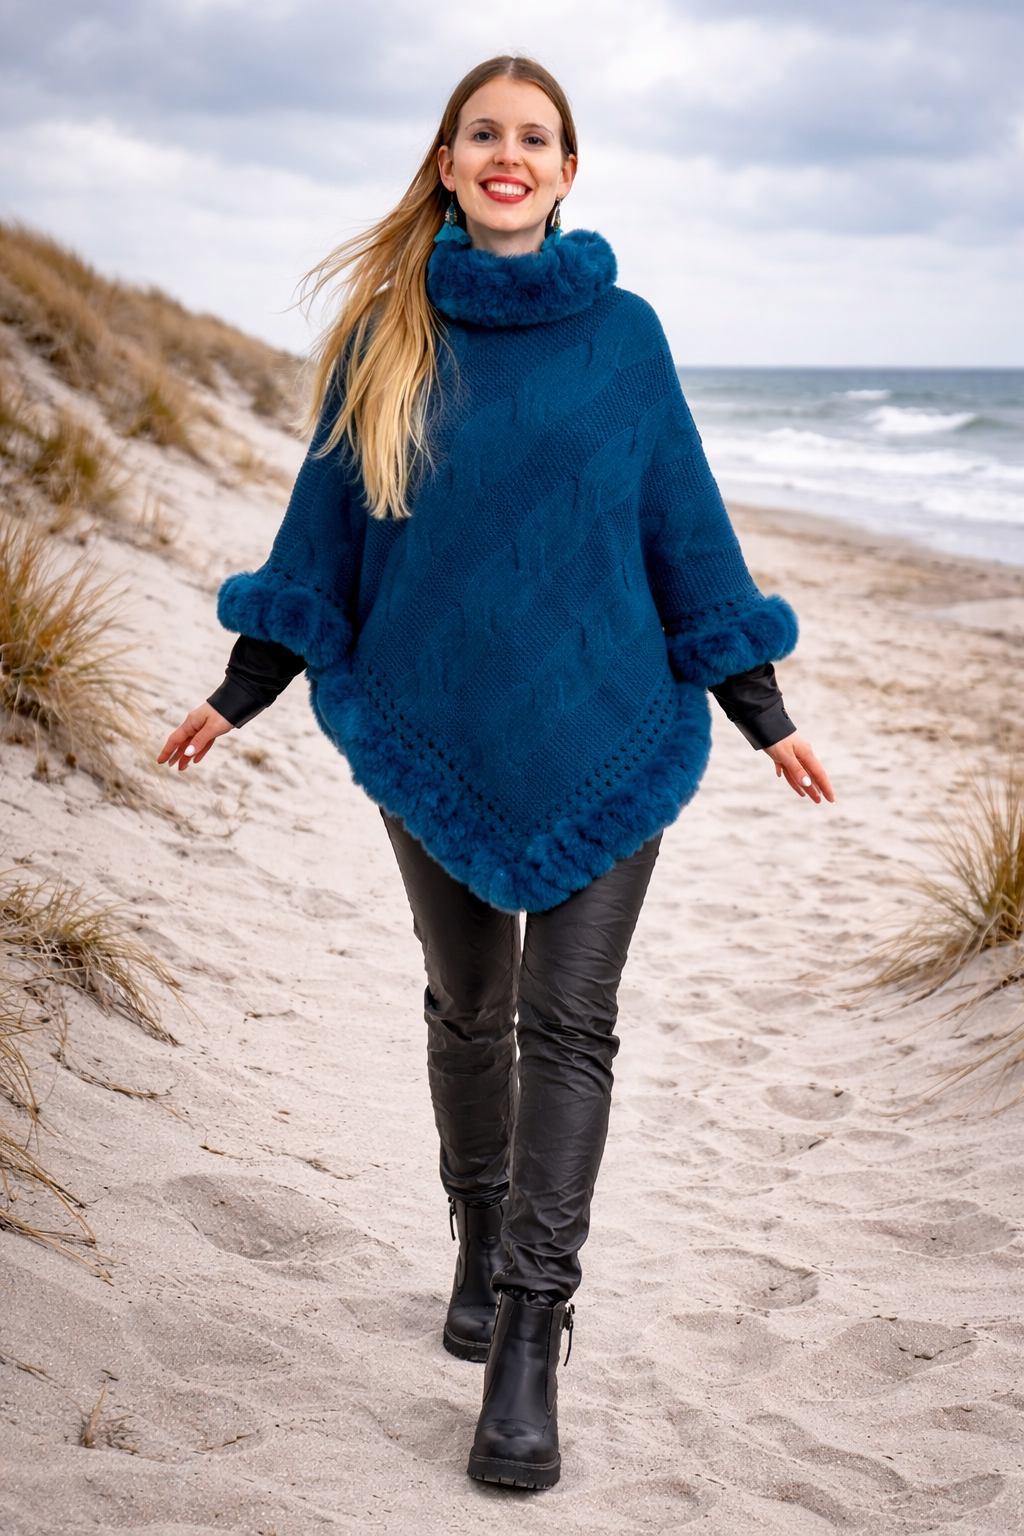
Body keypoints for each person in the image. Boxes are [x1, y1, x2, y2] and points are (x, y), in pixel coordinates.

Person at [159, 54, 834, 1491]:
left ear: (568, 170)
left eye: (534, 136)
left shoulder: (625, 338)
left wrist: (761, 707)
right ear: (449, 162)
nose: (508, 154)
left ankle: (531, 1329)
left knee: (568, 1021)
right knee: (471, 1009)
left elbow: (683, 527)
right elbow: (327, 535)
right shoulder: (386, 337)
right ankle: (476, 1236)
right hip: (436, 721)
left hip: (610, 723)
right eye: (484, 134)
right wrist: (242, 689)